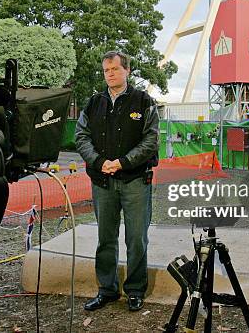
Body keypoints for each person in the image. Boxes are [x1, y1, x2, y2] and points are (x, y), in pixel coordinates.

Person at [75, 51, 159, 312]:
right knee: (105, 238)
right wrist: (100, 162)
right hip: (102, 183)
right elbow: (81, 137)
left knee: (136, 239)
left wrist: (123, 162)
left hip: (135, 181)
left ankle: (134, 290)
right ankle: (107, 290)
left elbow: (151, 140)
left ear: (127, 71)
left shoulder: (144, 102)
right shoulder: (93, 103)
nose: (110, 74)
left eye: (114, 69)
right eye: (106, 70)